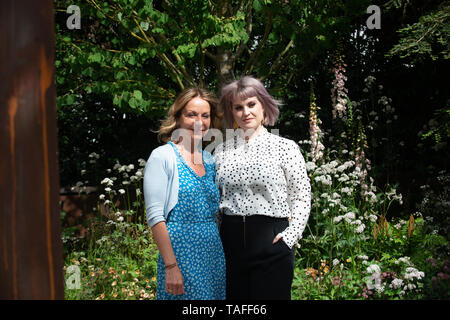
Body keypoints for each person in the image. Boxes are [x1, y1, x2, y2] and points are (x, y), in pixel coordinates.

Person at [214, 76, 311, 300]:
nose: (245, 112)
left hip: (272, 240)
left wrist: (290, 236)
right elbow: (217, 199)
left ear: (263, 105)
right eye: (238, 107)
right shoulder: (221, 151)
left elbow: (301, 196)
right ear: (232, 112)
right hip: (230, 243)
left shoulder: (285, 147)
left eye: (251, 104)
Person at [143, 87, 226, 300]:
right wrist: (171, 265)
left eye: (205, 115)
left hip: (212, 256)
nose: (199, 122)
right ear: (178, 117)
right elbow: (155, 217)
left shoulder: (209, 160)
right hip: (180, 255)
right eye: (191, 114)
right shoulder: (162, 156)